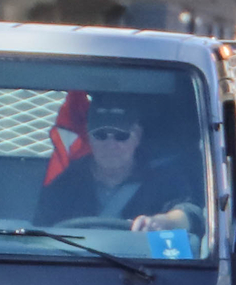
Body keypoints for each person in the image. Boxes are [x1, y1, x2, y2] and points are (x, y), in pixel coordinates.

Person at [34, 96, 200, 233]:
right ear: (89, 137)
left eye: (121, 136)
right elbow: (41, 232)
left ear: (137, 136)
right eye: (100, 135)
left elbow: (191, 215)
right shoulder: (65, 184)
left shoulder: (164, 180)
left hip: (143, 270)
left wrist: (164, 221)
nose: (110, 144)